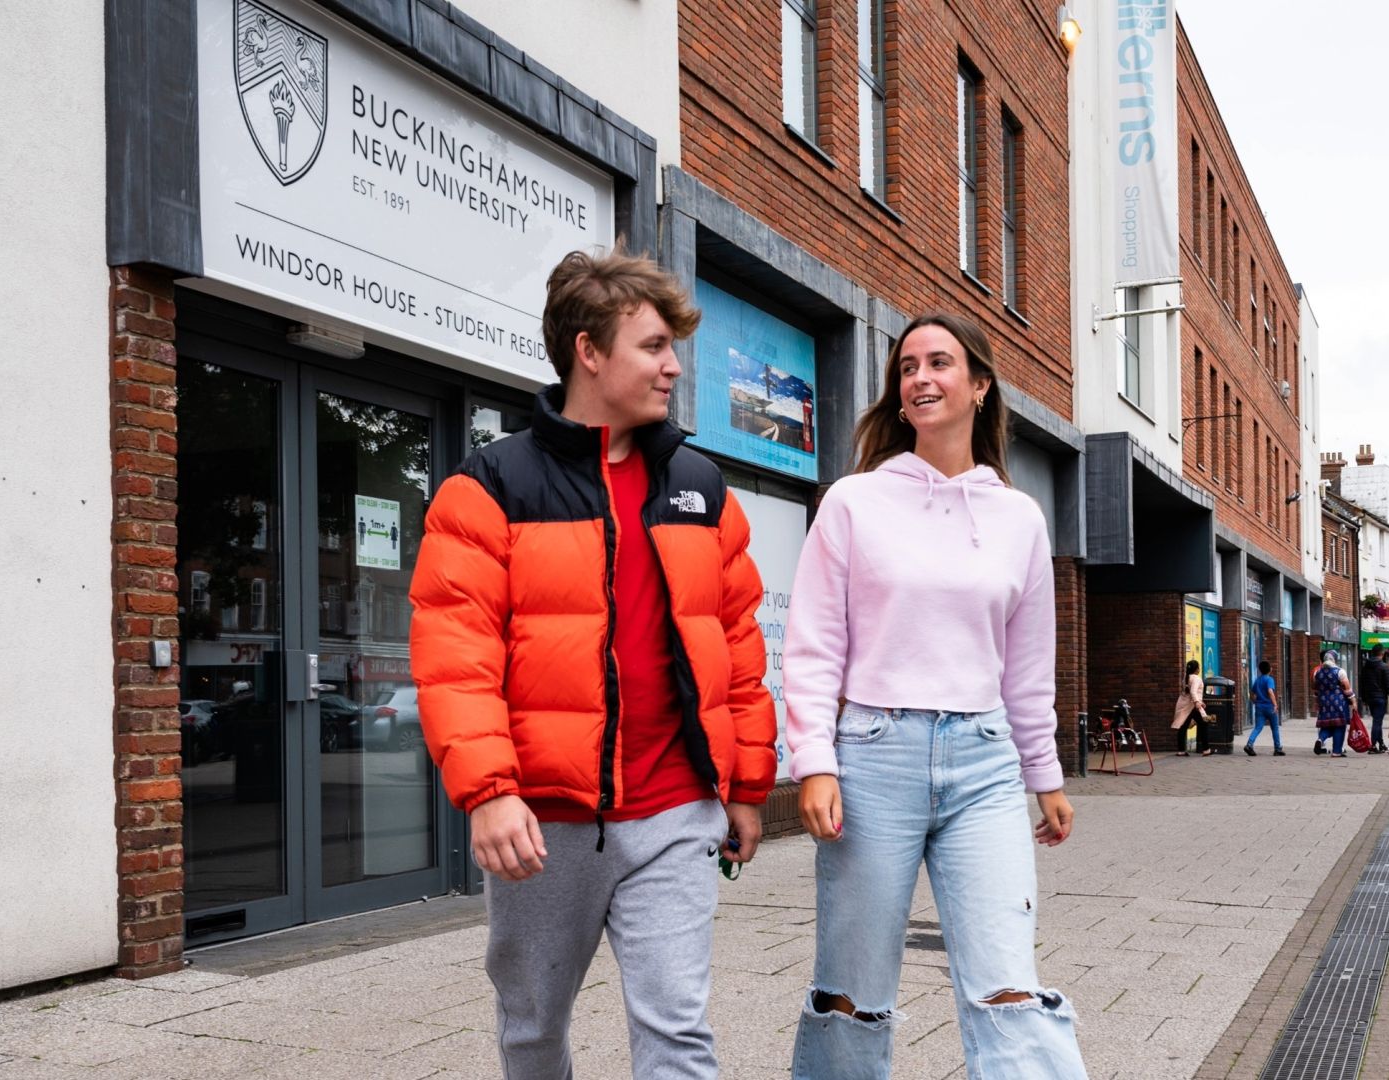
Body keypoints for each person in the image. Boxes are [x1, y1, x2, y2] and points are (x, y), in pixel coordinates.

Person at [409, 250, 777, 1080]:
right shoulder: (492, 485)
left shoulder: (700, 486)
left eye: (672, 348)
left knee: (678, 1030)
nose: (673, 366)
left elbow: (738, 649)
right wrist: (491, 793)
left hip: (676, 809)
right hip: (547, 822)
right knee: (534, 1027)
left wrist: (748, 786)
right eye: (653, 346)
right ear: (589, 351)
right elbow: (455, 654)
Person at [783, 312, 1087, 1079]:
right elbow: (815, 645)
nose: (920, 377)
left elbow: (1027, 667)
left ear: (980, 385)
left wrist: (1042, 775)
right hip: (873, 758)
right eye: (908, 366)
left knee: (1008, 982)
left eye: (939, 363)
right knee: (854, 989)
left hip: (984, 766)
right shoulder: (853, 503)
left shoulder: (1019, 517)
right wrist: (813, 759)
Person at [1312, 651, 1355, 757]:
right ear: (1334, 659)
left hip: (1324, 703)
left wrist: (1317, 701)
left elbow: (1315, 689)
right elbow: (1347, 689)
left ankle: (1320, 739)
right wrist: (1353, 701)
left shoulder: (1317, 673)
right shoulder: (1340, 672)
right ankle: (1336, 751)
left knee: (1326, 726)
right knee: (1339, 726)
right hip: (1338, 703)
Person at [1246, 659, 1284, 756]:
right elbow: (1270, 692)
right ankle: (1277, 748)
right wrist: (1275, 704)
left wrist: (1254, 701)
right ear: (1270, 669)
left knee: (1258, 727)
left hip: (1259, 707)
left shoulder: (1257, 680)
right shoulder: (1269, 679)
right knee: (1275, 728)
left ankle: (1249, 744)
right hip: (1269, 707)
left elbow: (1251, 693)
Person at [1360, 646, 1389, 753]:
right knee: (1377, 722)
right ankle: (1373, 746)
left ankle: (1381, 744)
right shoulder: (1384, 667)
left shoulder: (1366, 666)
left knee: (1377, 721)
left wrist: (1364, 698)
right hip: (1380, 698)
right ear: (1382, 654)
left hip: (1370, 697)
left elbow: (1362, 683)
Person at [1173, 659, 1210, 757]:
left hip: (1185, 705)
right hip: (1193, 706)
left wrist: (1200, 702)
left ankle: (1181, 750)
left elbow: (1189, 692)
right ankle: (1206, 749)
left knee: (1183, 727)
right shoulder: (1197, 678)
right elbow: (1193, 692)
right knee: (1204, 723)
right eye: (1199, 667)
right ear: (1197, 669)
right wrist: (1198, 702)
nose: (1199, 669)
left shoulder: (1186, 677)